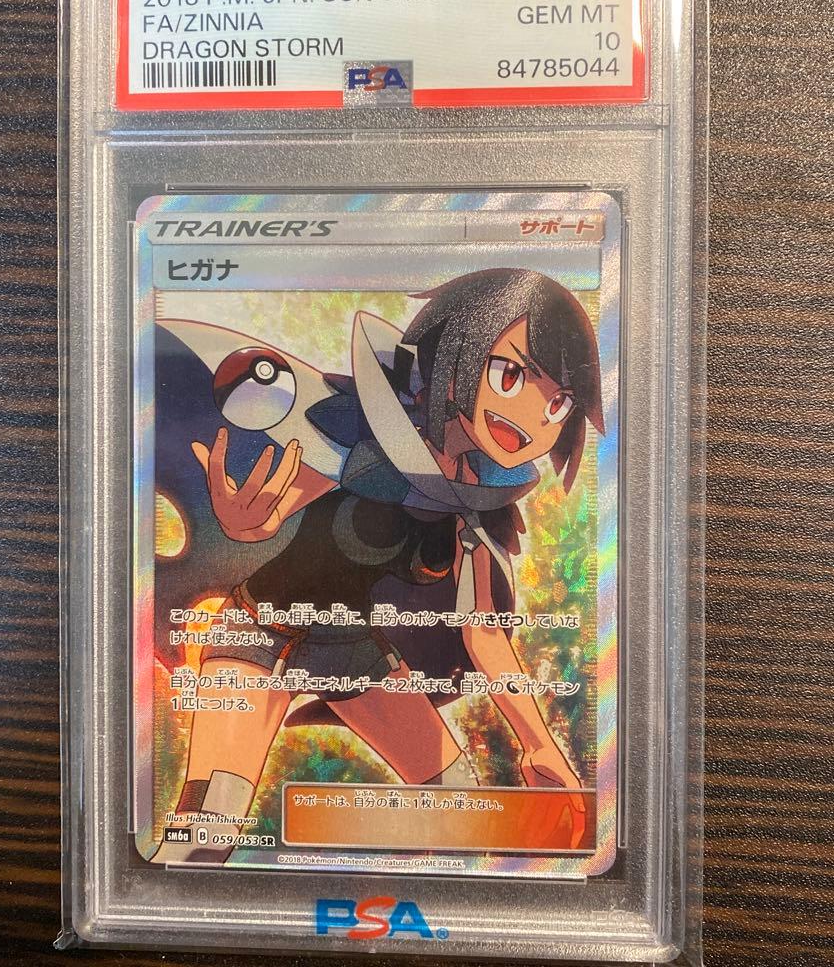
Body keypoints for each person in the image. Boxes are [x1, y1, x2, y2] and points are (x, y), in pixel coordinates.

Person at [151, 268, 604, 864]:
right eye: (511, 375)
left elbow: (484, 632)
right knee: (207, 828)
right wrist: (244, 522)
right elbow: (276, 509)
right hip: (256, 631)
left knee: (454, 802)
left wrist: (538, 744)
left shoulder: (480, 505)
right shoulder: (365, 434)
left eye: (557, 402)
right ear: (457, 353)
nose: (530, 415)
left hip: (351, 649)